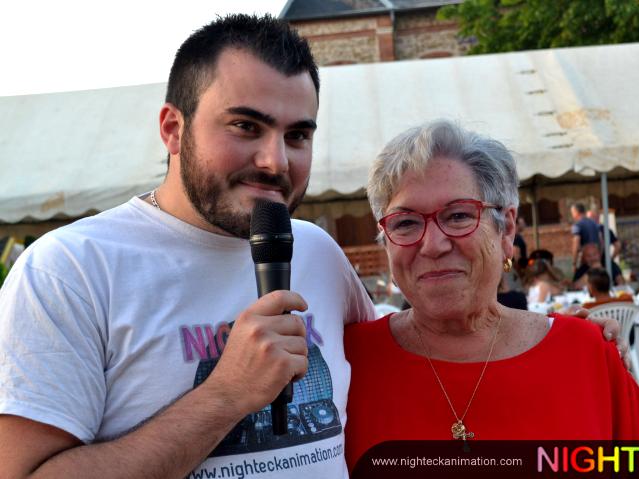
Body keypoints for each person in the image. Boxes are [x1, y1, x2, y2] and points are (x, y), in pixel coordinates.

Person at [0, 14, 378, 478]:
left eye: (297, 135)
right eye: (246, 126)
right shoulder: (69, 270)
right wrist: (225, 395)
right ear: (173, 129)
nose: (275, 161)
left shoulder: (318, 250)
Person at [343, 121, 639, 472]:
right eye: (405, 223)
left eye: (458, 215)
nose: (432, 245)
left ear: (506, 229)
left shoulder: (585, 353)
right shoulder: (346, 361)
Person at [570, 202, 601, 271]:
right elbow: (601, 240)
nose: (572, 215)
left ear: (576, 212)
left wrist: (574, 263)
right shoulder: (594, 223)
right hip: (596, 258)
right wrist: (599, 255)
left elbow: (576, 243)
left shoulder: (577, 225)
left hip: (585, 259)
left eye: (572, 213)